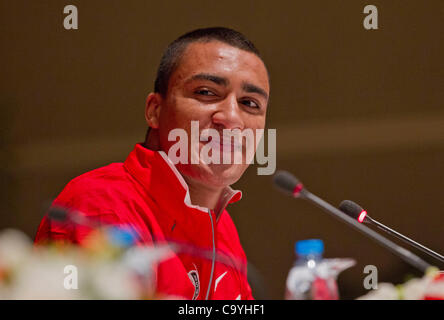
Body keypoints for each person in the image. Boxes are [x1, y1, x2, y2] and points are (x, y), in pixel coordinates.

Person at [34, 27, 270, 300]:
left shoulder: (222, 226)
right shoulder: (101, 204)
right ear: (155, 111)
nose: (231, 118)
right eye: (206, 92)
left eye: (250, 103)